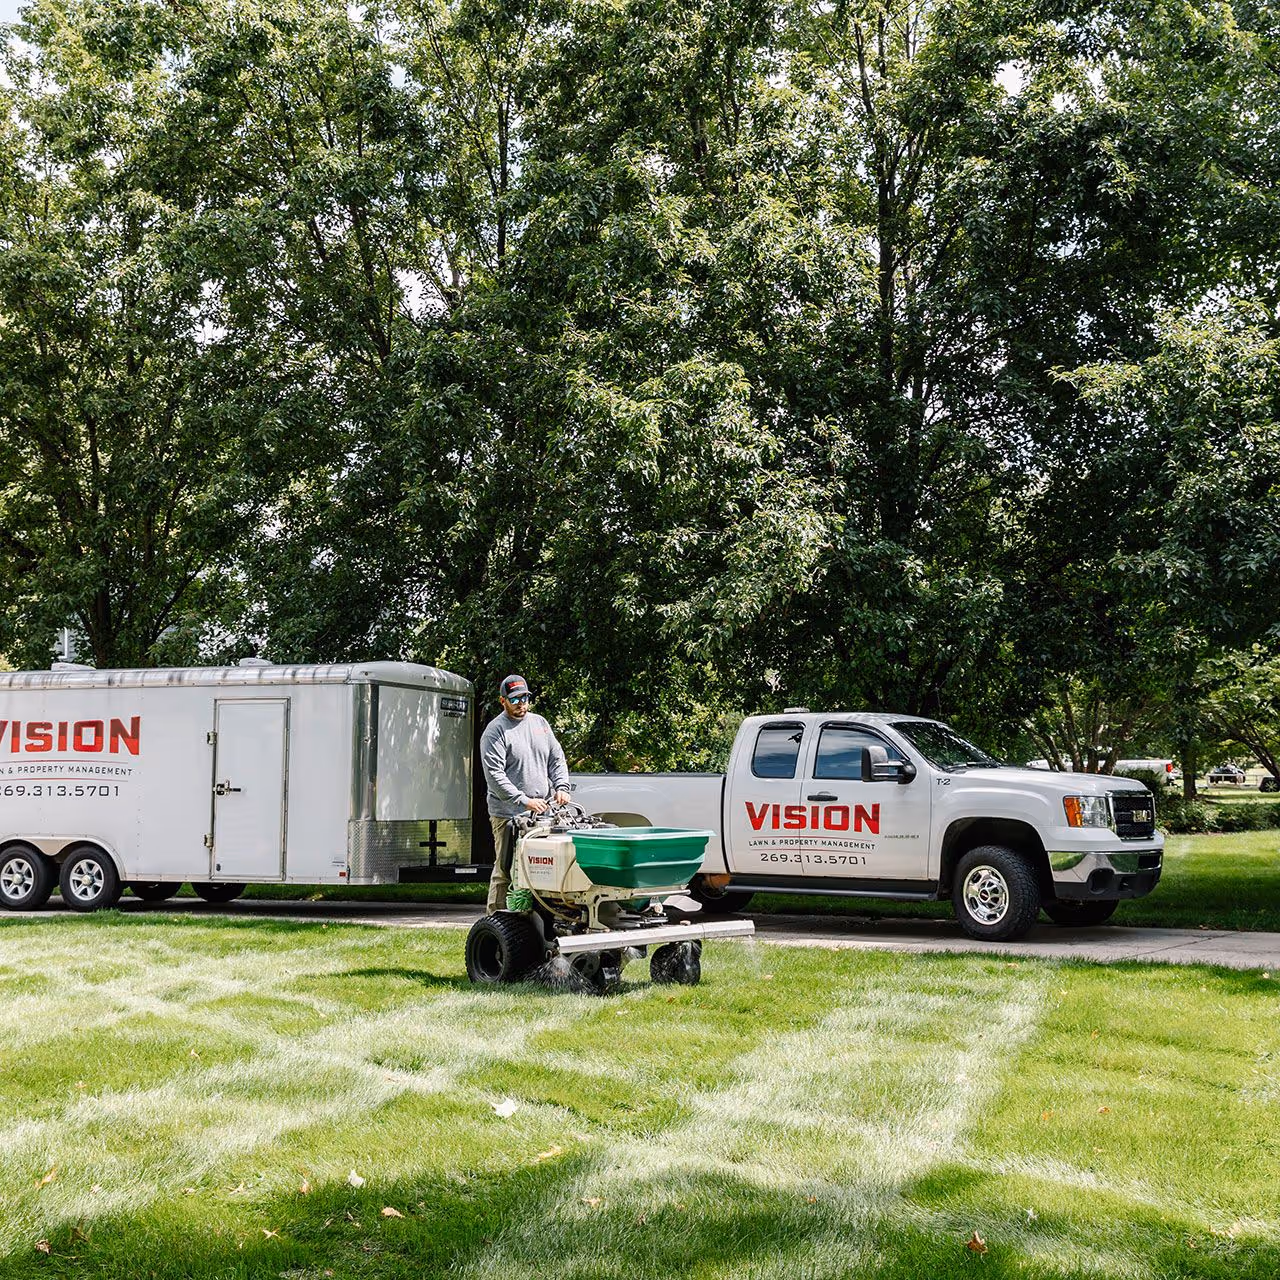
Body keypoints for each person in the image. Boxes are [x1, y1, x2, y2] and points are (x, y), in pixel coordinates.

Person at [479, 674, 571, 913]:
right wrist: (524, 800)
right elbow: (495, 776)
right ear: (503, 701)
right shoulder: (495, 732)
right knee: (506, 869)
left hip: (542, 814)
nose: (521, 704)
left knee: (543, 868)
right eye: (515, 699)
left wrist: (561, 786)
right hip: (509, 815)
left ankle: (535, 920)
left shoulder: (540, 724)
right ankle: (495, 922)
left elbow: (556, 758)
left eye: (525, 698)